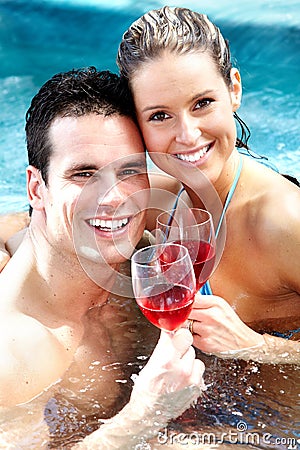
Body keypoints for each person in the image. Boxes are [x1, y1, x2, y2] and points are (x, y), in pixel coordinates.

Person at [0, 67, 205, 448]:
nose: (113, 198)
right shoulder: (13, 350)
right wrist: (144, 416)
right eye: (84, 174)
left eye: (128, 170)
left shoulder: (141, 254)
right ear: (36, 188)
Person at [116, 6, 300, 364]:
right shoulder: (164, 198)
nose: (187, 135)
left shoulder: (282, 220)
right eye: (160, 116)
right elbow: (33, 217)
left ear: (233, 89)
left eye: (202, 103)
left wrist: (258, 346)